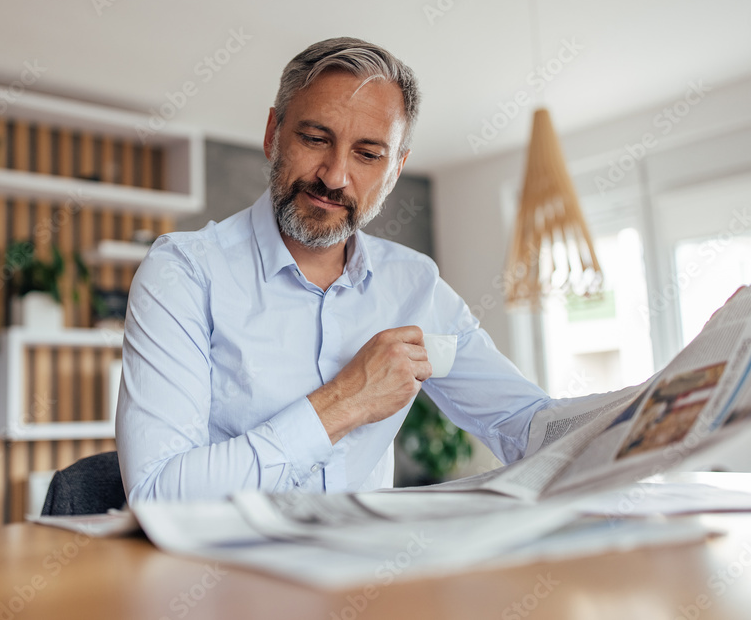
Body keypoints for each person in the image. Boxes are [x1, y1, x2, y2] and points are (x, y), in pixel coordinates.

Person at [115, 37, 553, 504]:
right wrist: (347, 400)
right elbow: (157, 495)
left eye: (368, 154)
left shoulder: (415, 284)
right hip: (221, 571)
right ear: (272, 134)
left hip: (365, 568)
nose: (335, 175)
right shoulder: (182, 273)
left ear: (396, 169)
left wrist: (635, 415)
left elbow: (528, 424)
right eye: (315, 138)